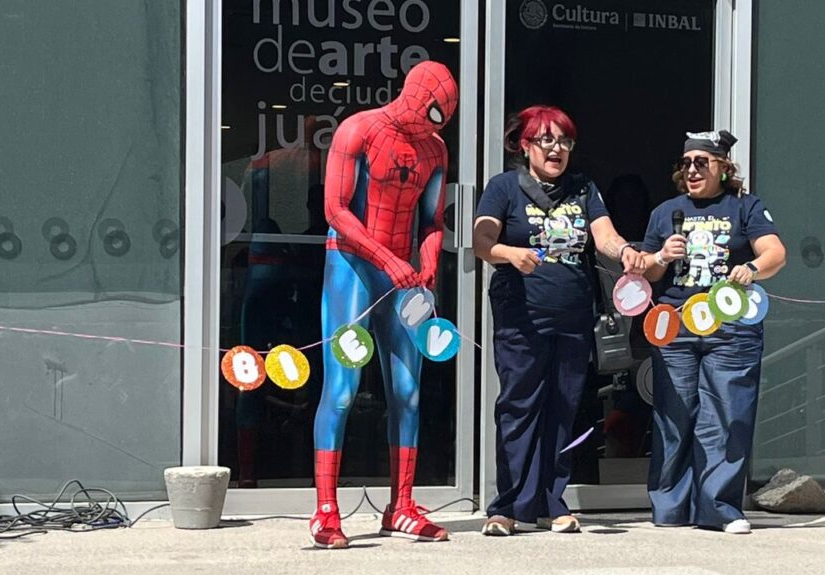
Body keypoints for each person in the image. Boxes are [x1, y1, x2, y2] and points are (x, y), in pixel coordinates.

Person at [473, 105, 643, 536]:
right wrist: (509, 254)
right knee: (519, 406)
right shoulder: (504, 187)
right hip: (520, 315)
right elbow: (481, 239)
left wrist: (625, 253)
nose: (557, 149)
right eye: (546, 140)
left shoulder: (582, 188)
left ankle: (553, 501)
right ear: (524, 144)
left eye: (564, 141)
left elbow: (603, 236)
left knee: (563, 408)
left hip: (572, 314)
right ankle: (507, 507)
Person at [308, 61, 458, 549]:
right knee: (343, 385)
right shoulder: (359, 129)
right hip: (351, 266)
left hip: (402, 274)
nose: (435, 124)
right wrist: (391, 260)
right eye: (433, 112)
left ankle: (402, 505)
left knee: (408, 390)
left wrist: (428, 260)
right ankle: (326, 510)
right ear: (414, 95)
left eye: (444, 117)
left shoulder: (435, 149)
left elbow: (433, 220)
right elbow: (335, 209)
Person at [638, 130, 787, 534]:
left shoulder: (745, 207)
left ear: (723, 167)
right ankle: (670, 508)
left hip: (730, 324)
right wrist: (660, 256)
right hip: (676, 322)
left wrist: (752, 269)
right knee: (675, 414)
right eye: (686, 164)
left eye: (702, 163)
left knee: (727, 414)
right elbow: (648, 274)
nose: (692, 170)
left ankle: (719, 509)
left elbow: (775, 252)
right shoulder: (666, 211)